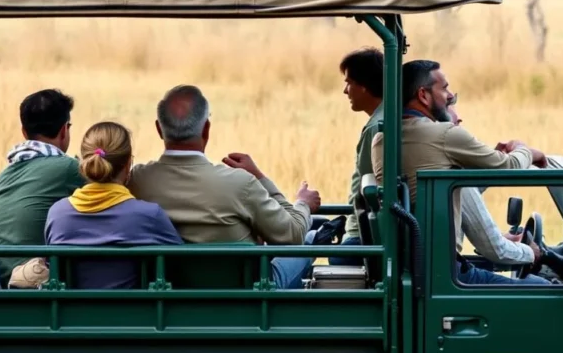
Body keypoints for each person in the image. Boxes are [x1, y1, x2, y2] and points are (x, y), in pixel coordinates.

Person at [370, 59, 551, 286]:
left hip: (414, 265)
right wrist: (527, 151)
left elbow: (459, 190)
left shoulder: (382, 139)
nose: (449, 96)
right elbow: (509, 166)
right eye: (444, 88)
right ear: (423, 95)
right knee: (541, 288)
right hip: (443, 273)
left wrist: (482, 162)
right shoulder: (444, 135)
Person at [127, 85, 322, 289]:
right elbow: (292, 235)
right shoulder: (240, 183)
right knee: (306, 244)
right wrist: (302, 203)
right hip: (244, 297)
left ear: (159, 129)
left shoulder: (136, 181)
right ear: (206, 129)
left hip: (168, 294)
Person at [445, 98, 563, 284]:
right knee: (544, 288)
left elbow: (466, 197)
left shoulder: (447, 171)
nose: (459, 118)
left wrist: (490, 165)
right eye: (448, 106)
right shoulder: (452, 174)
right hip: (451, 276)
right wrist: (533, 253)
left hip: (448, 270)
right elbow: (495, 249)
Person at [44, 121, 183, 289]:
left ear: (84, 164)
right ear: (128, 164)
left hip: (74, 307)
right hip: (132, 306)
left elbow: (53, 270)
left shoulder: (57, 214)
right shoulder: (149, 215)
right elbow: (181, 263)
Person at [0, 89, 85, 287]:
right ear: (64, 130)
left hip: (2, 276)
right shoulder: (68, 168)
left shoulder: (4, 175)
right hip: (37, 280)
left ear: (24, 132)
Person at [331, 47, 384, 267]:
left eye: (349, 83)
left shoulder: (376, 127)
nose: (345, 91)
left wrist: (353, 233)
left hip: (364, 233)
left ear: (364, 85)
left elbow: (364, 185)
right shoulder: (384, 117)